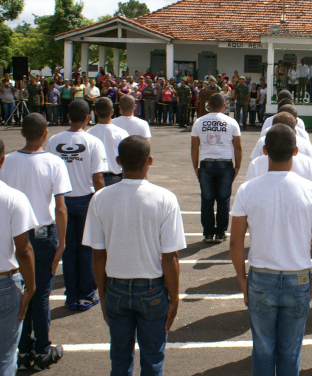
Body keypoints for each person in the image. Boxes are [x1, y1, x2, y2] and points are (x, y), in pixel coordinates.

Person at [229, 124, 312, 376]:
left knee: (263, 349)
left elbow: (235, 242)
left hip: (262, 277)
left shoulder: (247, 189)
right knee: (290, 350)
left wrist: (242, 279)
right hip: (298, 277)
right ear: (296, 151)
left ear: (264, 151)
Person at [83, 136, 186, 376]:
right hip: (152, 289)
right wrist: (174, 297)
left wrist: (103, 292)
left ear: (118, 161)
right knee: (152, 359)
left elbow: (98, 255)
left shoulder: (100, 198)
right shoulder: (165, 199)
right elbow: (169, 257)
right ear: (149, 160)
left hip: (116, 288)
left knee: (119, 358)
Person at [0, 113, 71, 371]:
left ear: (21, 133)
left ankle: (24, 347)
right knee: (40, 293)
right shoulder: (54, 162)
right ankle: (42, 349)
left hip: (14, 232)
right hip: (43, 233)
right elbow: (61, 208)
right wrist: (62, 243)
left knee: (20, 290)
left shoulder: (6, 161)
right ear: (45, 134)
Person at [46, 100, 107, 311]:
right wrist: (102, 202)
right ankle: (86, 296)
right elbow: (98, 178)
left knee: (68, 249)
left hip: (61, 200)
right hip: (86, 199)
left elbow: (49, 173)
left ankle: (71, 296)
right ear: (88, 117)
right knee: (87, 248)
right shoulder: (93, 142)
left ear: (67, 115)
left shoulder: (54, 140)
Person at [0, 138, 37, 376]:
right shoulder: (13, 198)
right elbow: (24, 250)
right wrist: (31, 286)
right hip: (5, 282)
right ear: (2, 160)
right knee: (5, 355)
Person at [191, 93, 242, 243]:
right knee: (223, 198)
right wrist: (237, 166)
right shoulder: (231, 122)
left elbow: (194, 146)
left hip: (205, 163)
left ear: (208, 105)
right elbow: (237, 147)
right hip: (225, 163)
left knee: (207, 199)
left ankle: (207, 232)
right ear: (223, 106)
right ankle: (220, 232)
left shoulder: (199, 122)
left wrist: (195, 165)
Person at [86, 98, 129, 187]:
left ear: (95, 112)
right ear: (112, 111)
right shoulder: (122, 133)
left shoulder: (88, 133)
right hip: (116, 177)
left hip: (94, 178)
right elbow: (127, 159)